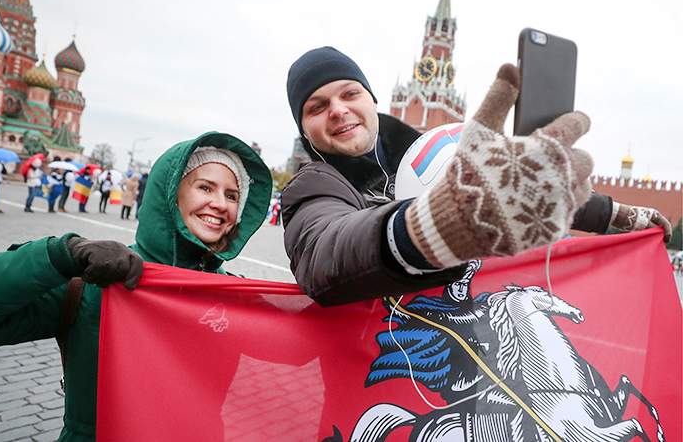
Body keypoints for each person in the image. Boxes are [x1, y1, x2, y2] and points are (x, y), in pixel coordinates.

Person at [0, 132, 272, 442]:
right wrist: (61, 256)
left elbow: (305, 345)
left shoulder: (236, 297)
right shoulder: (90, 285)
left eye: (232, 195)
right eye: (205, 187)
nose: (219, 204)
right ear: (170, 195)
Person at [281, 47, 672, 307]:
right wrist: (431, 226)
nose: (337, 110)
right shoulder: (313, 188)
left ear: (371, 98)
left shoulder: (434, 155)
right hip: (379, 369)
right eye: (317, 107)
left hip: (474, 354)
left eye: (349, 93)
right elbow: (325, 255)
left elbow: (513, 192)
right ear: (304, 127)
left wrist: (612, 214)